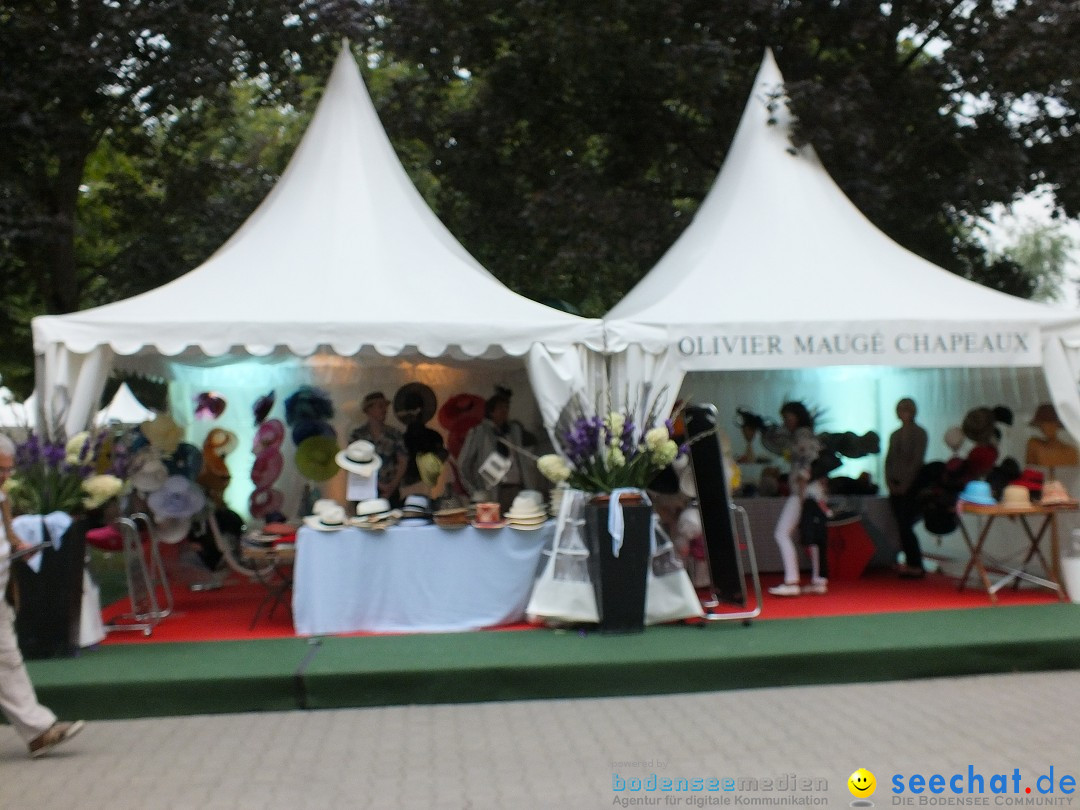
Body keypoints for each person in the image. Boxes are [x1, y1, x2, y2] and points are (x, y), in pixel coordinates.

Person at [0, 434, 85, 758]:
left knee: (8, 661)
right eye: (0, 470)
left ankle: (38, 733)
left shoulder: (2, 497)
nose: (5, 477)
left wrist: (20, 547)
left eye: (8, 470)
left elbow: (9, 536)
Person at [764, 402, 827, 597]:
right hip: (812, 491)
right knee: (814, 537)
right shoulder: (806, 435)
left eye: (788, 418)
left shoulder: (802, 436)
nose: (786, 422)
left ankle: (792, 580)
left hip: (804, 491)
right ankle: (818, 580)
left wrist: (800, 492)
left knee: (782, 533)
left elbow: (805, 464)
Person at [457, 387, 544, 513]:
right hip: (494, 491)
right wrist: (475, 490)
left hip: (517, 489)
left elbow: (530, 444)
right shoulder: (479, 432)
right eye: (501, 408)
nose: (505, 411)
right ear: (491, 411)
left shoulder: (513, 431)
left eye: (507, 408)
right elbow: (463, 464)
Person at [885, 398, 929, 579]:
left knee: (905, 523)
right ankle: (909, 561)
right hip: (895, 483)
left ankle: (915, 563)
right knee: (900, 524)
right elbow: (889, 460)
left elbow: (916, 461)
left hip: (911, 485)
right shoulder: (895, 434)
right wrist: (889, 481)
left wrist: (906, 484)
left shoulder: (919, 434)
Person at [348, 391, 407, 506]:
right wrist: (377, 484)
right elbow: (353, 466)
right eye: (380, 406)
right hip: (363, 491)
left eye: (385, 406)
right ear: (368, 410)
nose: (384, 410)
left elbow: (403, 461)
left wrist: (392, 486)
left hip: (391, 491)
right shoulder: (357, 436)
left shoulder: (394, 434)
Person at [1025, 402, 1079, 472]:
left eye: (1050, 423)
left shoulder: (1071, 451)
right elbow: (1030, 471)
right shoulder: (1034, 445)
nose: (1045, 427)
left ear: (1057, 424)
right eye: (1042, 424)